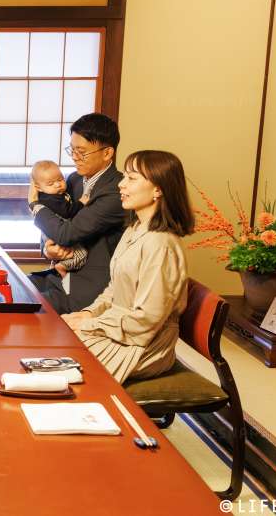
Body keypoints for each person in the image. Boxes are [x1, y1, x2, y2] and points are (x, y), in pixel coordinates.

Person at [61, 150, 195, 383]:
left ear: (158, 189)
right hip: (118, 330)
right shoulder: (134, 230)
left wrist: (91, 325)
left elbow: (147, 319)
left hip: (143, 344)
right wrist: (87, 313)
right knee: (54, 342)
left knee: (60, 365)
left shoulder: (160, 244)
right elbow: (115, 289)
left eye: (132, 178)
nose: (121, 185)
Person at [27, 113, 126, 314]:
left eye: (81, 152)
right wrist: (48, 248)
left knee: (25, 309)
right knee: (10, 290)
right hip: (59, 275)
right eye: (72, 150)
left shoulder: (117, 191)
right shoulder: (72, 180)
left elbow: (67, 233)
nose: (74, 157)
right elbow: (54, 222)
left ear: (107, 153)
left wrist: (34, 205)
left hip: (89, 288)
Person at [29, 160, 87, 277]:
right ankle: (62, 266)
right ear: (38, 188)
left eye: (60, 180)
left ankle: (57, 265)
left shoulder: (60, 192)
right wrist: (81, 203)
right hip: (55, 234)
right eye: (51, 184)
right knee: (81, 255)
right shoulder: (51, 198)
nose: (58, 185)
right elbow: (67, 211)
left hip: (59, 235)